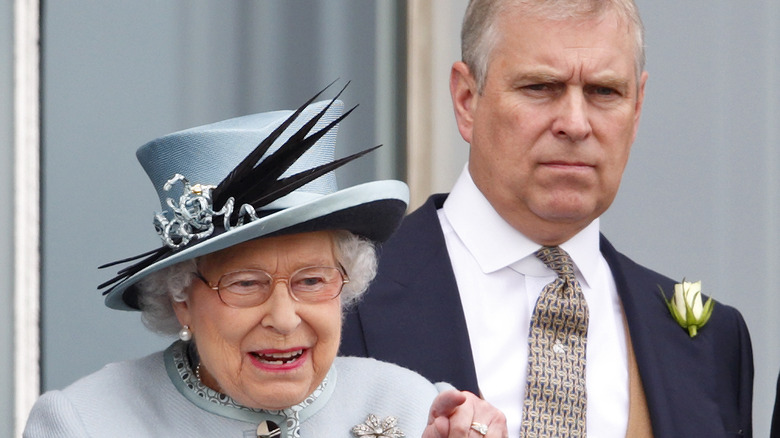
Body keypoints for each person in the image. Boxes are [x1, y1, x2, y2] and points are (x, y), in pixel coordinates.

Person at [340, 1, 754, 436]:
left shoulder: (713, 345)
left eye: (604, 91)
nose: (575, 124)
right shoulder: (334, 300)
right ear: (466, 100)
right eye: (540, 87)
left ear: (637, 109)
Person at [24, 86, 508, 438]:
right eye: (245, 283)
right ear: (181, 300)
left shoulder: (414, 407)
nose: (282, 318)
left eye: (312, 280)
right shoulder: (83, 423)